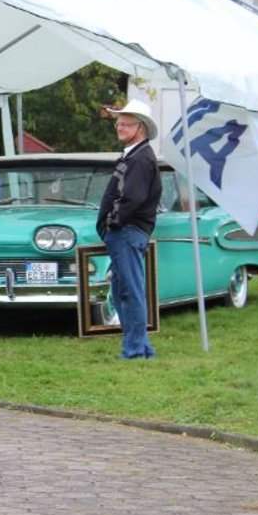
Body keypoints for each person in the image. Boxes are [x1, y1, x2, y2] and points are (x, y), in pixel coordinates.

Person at [97, 100, 162, 360]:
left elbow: (131, 198)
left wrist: (113, 222)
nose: (119, 127)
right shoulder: (137, 156)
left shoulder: (140, 158)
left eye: (126, 123)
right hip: (126, 231)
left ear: (141, 128)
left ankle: (134, 350)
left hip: (128, 231)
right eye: (118, 123)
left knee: (129, 290)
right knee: (124, 289)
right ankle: (141, 348)